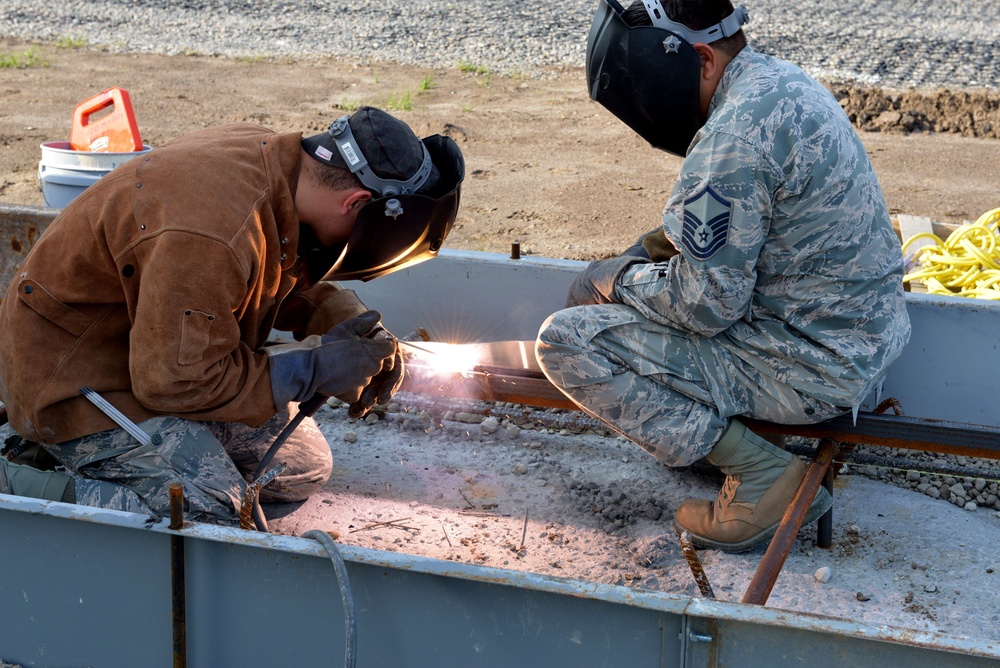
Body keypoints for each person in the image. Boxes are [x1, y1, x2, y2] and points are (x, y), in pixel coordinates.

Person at [536, 0, 910, 552]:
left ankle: (761, 475)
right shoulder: (780, 83)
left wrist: (616, 279)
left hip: (812, 367)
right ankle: (737, 449)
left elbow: (704, 307)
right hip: (860, 338)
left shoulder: (732, 138)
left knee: (566, 341)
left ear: (702, 60)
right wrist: (659, 250)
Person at [0, 106, 464, 526]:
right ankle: (22, 479)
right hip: (77, 382)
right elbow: (174, 382)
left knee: (300, 468)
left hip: (150, 353)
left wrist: (342, 321)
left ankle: (126, 461)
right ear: (357, 203)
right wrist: (315, 367)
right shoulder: (212, 233)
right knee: (209, 510)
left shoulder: (281, 171)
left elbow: (276, 264)